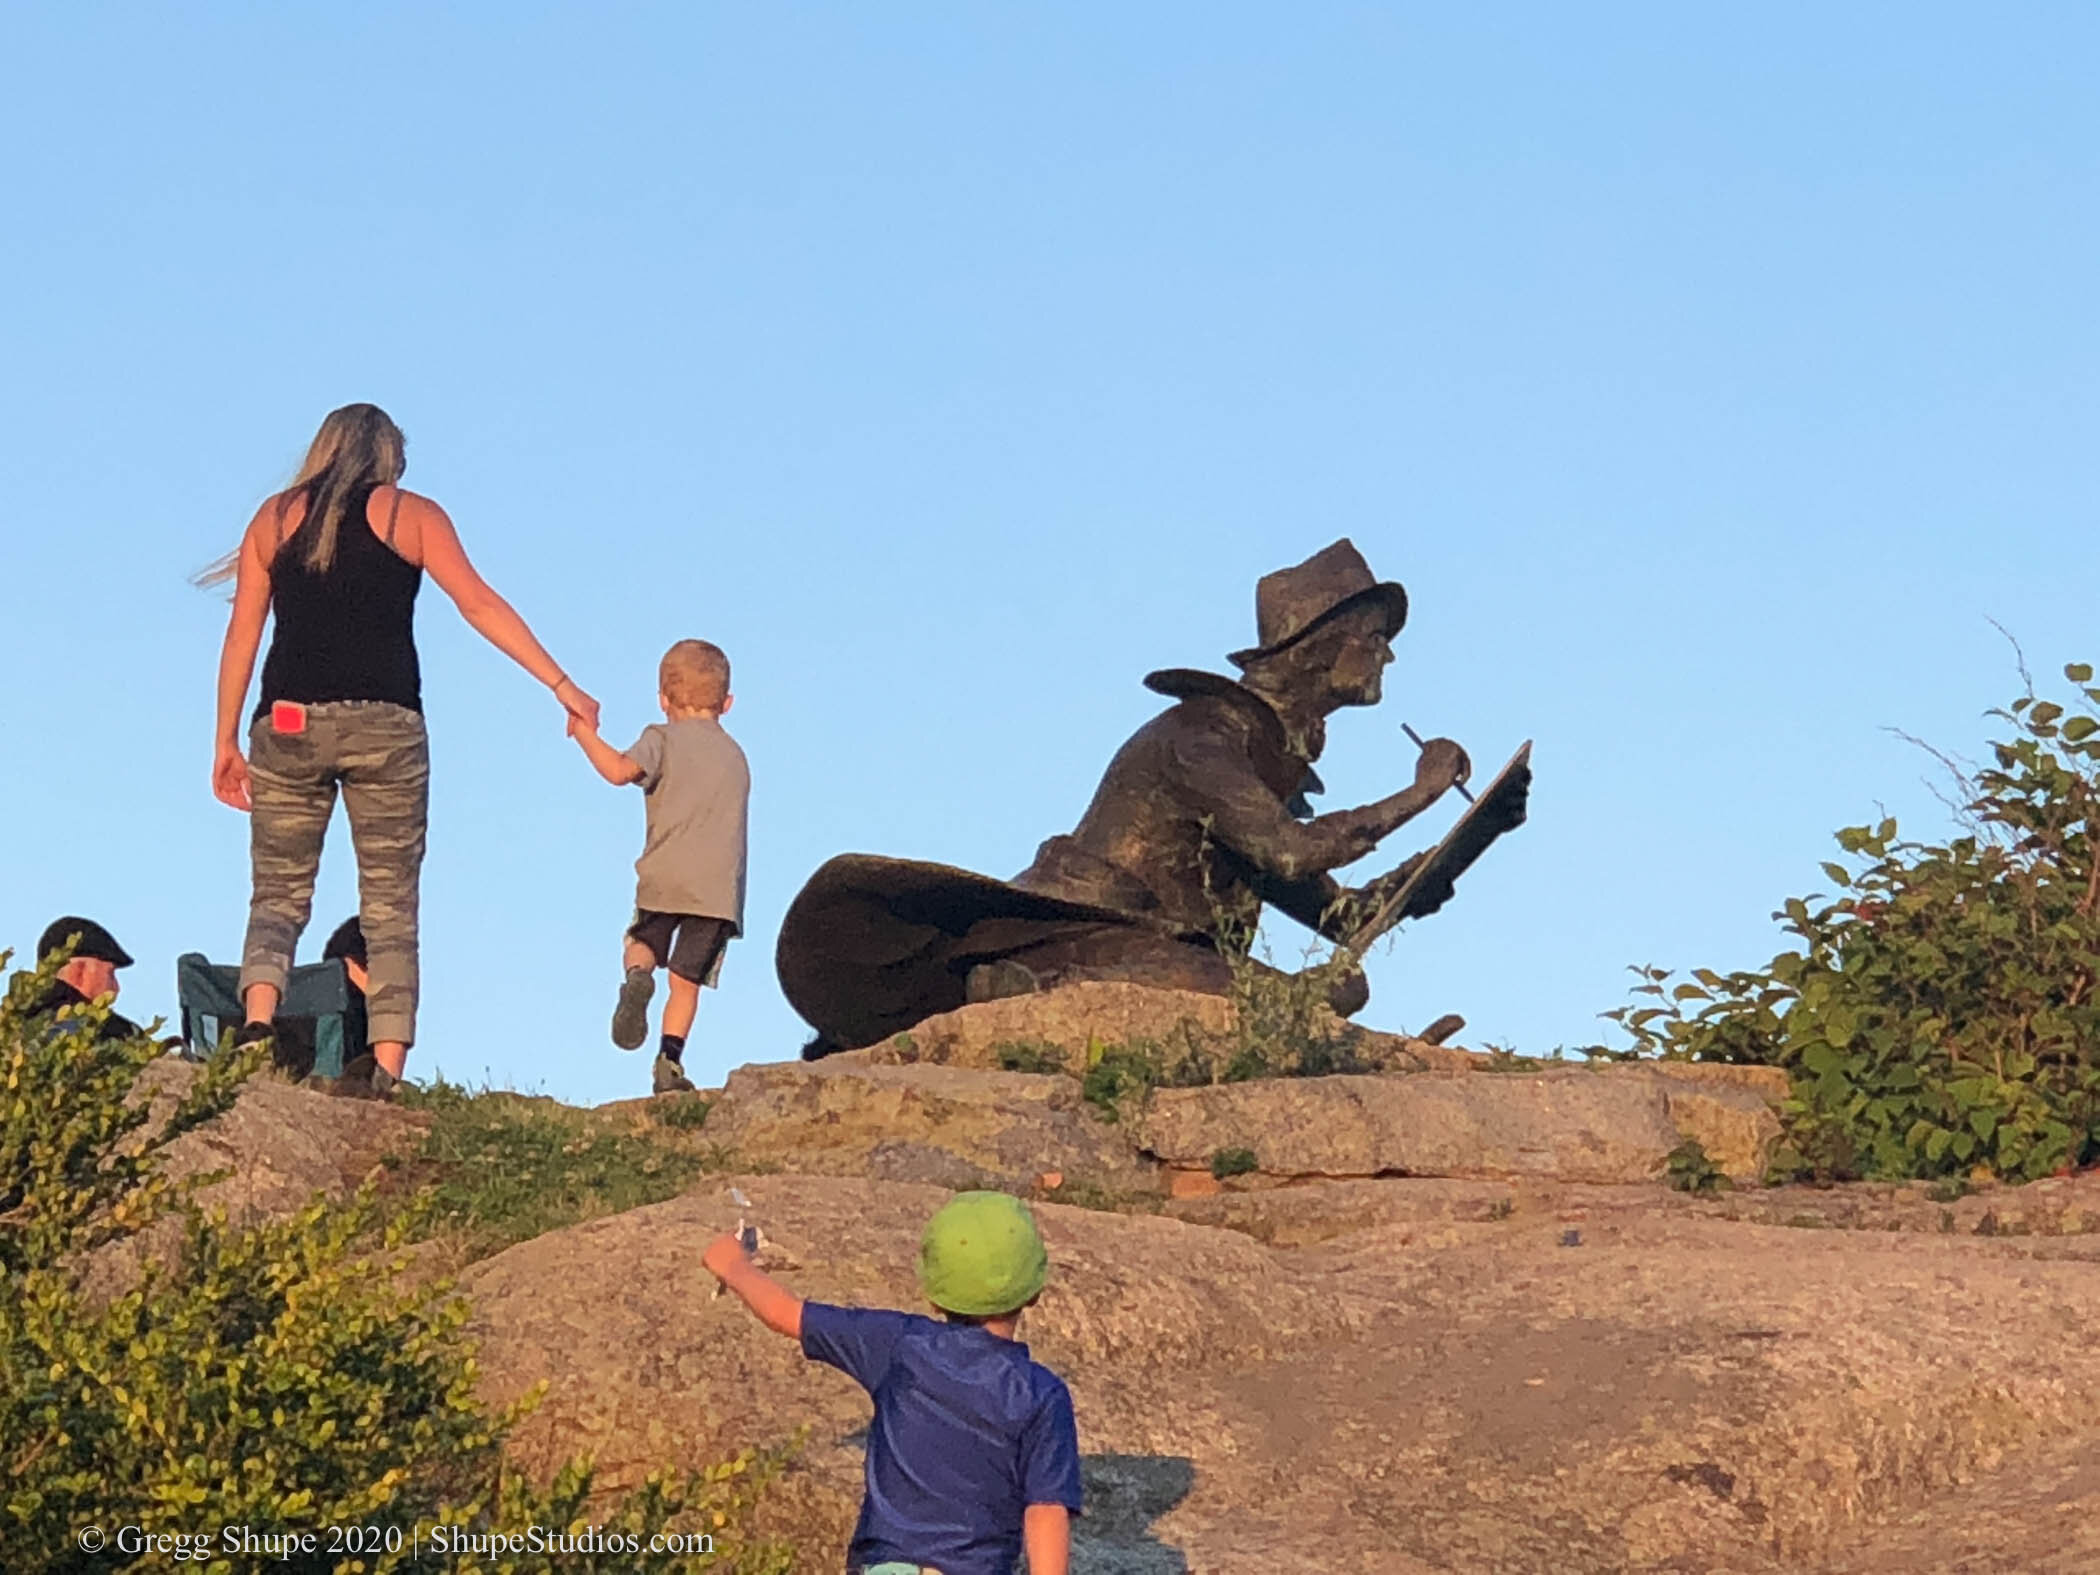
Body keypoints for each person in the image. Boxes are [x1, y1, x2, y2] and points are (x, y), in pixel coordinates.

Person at [203, 403, 599, 1098]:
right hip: (386, 724)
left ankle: (258, 1025)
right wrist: (561, 684)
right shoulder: (409, 514)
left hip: (289, 722)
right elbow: (477, 603)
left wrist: (226, 737)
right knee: (389, 903)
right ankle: (384, 1066)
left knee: (277, 892)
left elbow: (243, 633)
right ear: (388, 458)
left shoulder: (274, 518)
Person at [703, 1191, 1081, 1575]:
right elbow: (1046, 1511)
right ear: (1034, 1293)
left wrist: (733, 1266)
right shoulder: (1042, 1394)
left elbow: (787, 1314)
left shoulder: (898, 1345)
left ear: (934, 1295)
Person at [567, 640, 749, 1096]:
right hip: (715, 892)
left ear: (663, 700)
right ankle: (669, 1061)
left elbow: (618, 771)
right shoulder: (736, 757)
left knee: (642, 942)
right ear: (728, 703)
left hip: (664, 878)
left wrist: (584, 732)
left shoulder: (661, 738)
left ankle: (637, 978)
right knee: (686, 983)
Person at [23, 917, 142, 1042]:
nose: (116, 988)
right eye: (110, 974)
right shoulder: (112, 1032)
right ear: (78, 972)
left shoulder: (13, 1024)